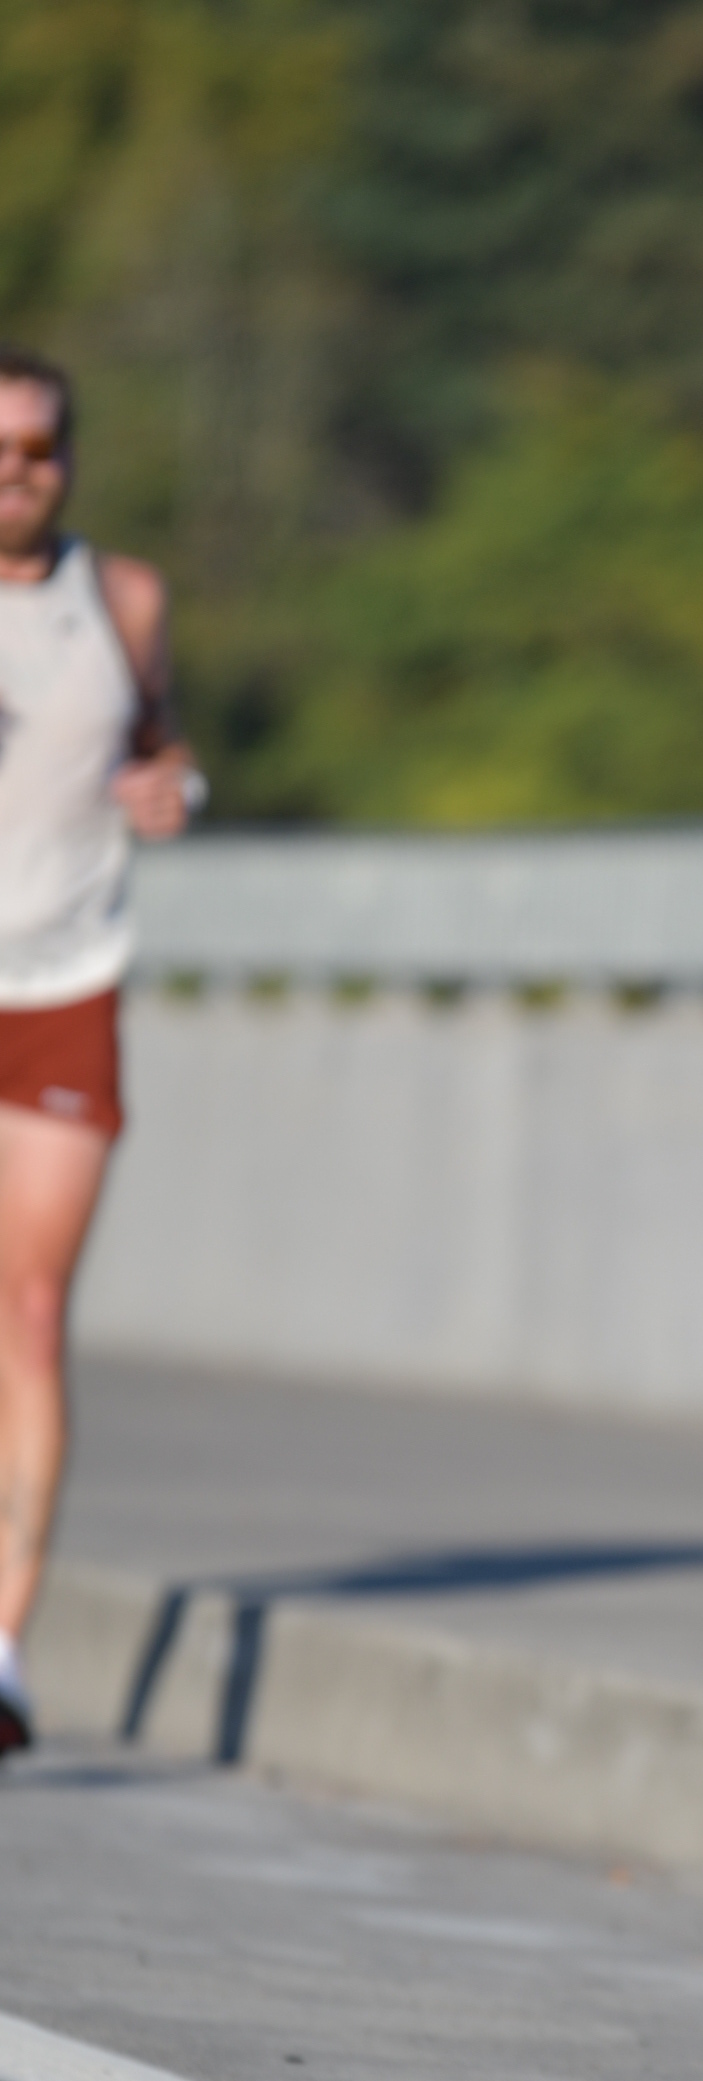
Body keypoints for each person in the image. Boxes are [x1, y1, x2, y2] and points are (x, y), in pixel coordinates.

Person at [0, 344, 203, 1752]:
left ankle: (3, 1648)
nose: (15, 475)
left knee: (27, 1312)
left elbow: (163, 751)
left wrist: (173, 790)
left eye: (38, 450)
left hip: (65, 986)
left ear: (69, 459)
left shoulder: (123, 600)